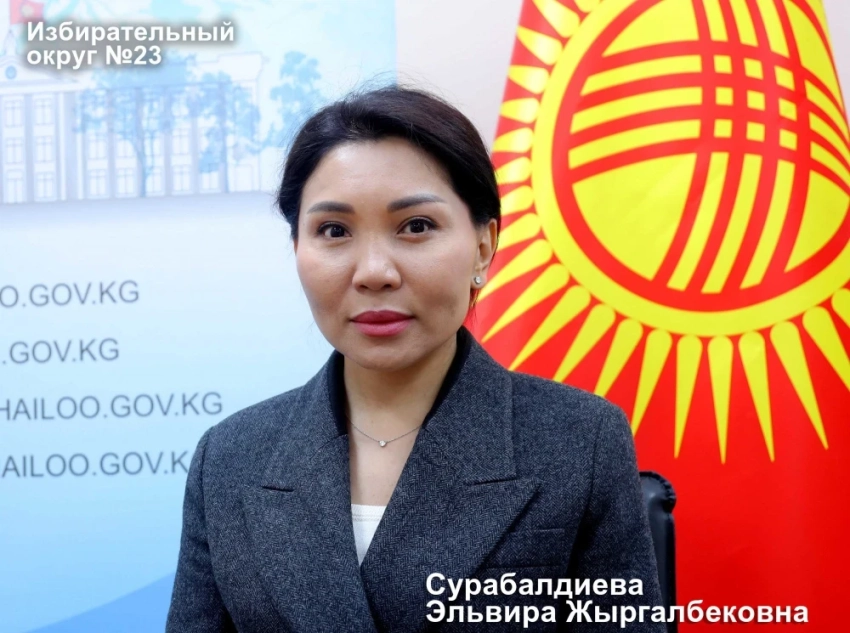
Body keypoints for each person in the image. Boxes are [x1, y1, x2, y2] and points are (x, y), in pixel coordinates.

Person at [165, 85, 666, 632]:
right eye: (334, 231)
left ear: (483, 247)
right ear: (297, 249)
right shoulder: (231, 458)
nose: (374, 272)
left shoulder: (579, 439)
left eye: (416, 226)